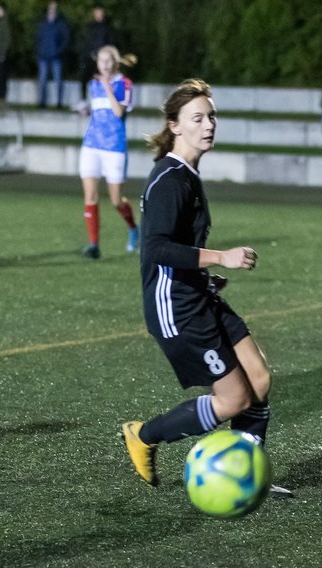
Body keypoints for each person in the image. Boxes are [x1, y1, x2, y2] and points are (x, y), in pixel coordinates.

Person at [121, 79, 272, 490]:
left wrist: (205, 273)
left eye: (211, 116)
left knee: (257, 379)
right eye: (197, 118)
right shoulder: (170, 179)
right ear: (175, 125)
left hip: (197, 293)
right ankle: (143, 435)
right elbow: (157, 249)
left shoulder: (186, 174)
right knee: (234, 399)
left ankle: (245, 473)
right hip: (177, 307)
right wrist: (221, 256)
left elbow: (181, 247)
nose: (208, 125)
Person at [79, 45, 137, 259]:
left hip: (114, 148)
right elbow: (100, 111)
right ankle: (94, 245)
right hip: (91, 145)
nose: (103, 64)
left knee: (115, 201)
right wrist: (86, 111)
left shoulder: (124, 84)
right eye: (100, 60)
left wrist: (108, 87)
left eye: (107, 60)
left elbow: (118, 111)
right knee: (90, 196)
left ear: (115, 62)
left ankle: (132, 227)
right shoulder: (94, 84)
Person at [35, 1, 69, 109]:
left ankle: (59, 103)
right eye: (51, 8)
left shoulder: (60, 24)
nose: (52, 11)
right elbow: (37, 39)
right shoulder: (42, 24)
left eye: (54, 9)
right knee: (42, 81)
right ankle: (42, 102)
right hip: (43, 56)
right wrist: (39, 51)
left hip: (56, 57)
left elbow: (65, 39)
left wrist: (59, 50)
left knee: (58, 80)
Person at [77, 5, 111, 101]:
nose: (99, 15)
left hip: (102, 59)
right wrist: (83, 58)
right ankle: (83, 100)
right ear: (94, 14)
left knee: (101, 79)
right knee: (84, 79)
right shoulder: (89, 27)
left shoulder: (107, 28)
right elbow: (85, 43)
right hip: (89, 58)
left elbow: (110, 44)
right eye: (97, 12)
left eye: (101, 12)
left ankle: (101, 98)